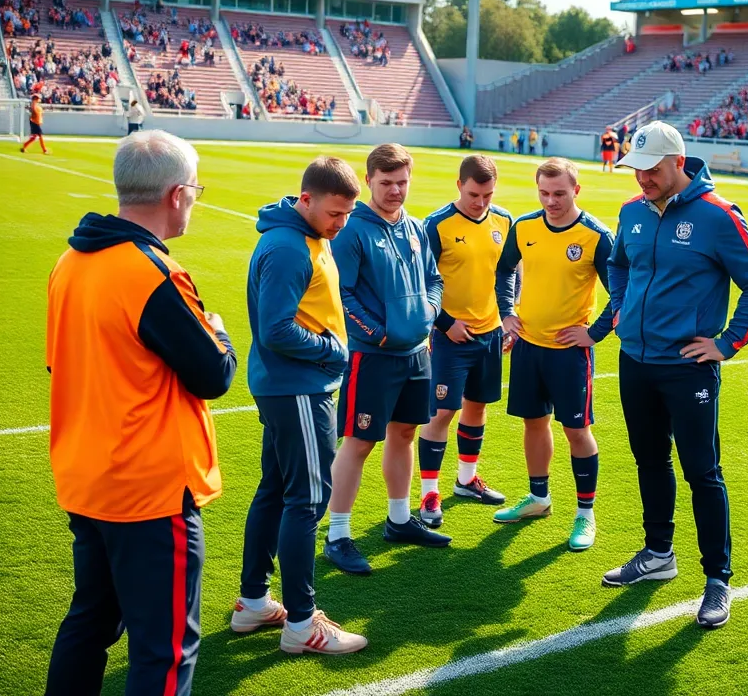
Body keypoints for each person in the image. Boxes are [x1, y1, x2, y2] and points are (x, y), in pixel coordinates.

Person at [45, 131, 237, 696]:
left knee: (90, 624)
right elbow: (214, 375)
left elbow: (63, 366)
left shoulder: (70, 261)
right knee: (166, 650)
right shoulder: (151, 272)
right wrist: (221, 335)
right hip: (149, 488)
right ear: (177, 195)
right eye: (196, 190)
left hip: (89, 475)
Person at [601, 121, 748, 630]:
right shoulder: (632, 212)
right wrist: (622, 307)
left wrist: (724, 344)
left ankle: (717, 578)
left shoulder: (718, 216)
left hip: (687, 370)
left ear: (678, 162)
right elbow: (619, 265)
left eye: (652, 170)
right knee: (649, 460)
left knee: (702, 472)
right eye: (637, 170)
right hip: (635, 360)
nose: (642, 180)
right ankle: (658, 554)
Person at [236, 156, 367, 655]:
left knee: (276, 489)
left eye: (348, 214)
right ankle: (301, 623)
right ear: (306, 200)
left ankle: (253, 602)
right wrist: (334, 350)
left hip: (289, 384)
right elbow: (275, 329)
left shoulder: (307, 235)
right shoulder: (291, 246)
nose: (342, 223)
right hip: (297, 388)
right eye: (335, 213)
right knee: (308, 500)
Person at [324, 144, 450, 576]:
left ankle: (399, 521)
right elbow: (342, 293)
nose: (395, 191)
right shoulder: (353, 230)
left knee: (405, 434)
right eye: (386, 183)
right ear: (369, 181)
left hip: (417, 353)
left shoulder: (414, 227)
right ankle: (337, 534)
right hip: (372, 357)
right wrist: (378, 332)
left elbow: (434, 278)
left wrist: (430, 313)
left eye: (402, 182)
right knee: (358, 442)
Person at [492, 157, 615, 552]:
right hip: (528, 346)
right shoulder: (525, 226)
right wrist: (507, 313)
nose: (551, 201)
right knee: (533, 422)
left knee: (576, 431)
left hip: (569, 354)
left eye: (559, 193)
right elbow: (504, 270)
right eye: (544, 193)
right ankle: (539, 499)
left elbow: (622, 293)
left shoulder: (596, 235)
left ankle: (585, 514)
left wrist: (593, 334)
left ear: (576, 190)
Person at [416, 156, 516, 527]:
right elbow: (423, 283)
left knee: (477, 407)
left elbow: (504, 274)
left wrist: (507, 315)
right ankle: (429, 492)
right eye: (474, 194)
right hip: (449, 337)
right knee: (441, 412)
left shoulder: (504, 221)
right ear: (459, 185)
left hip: (490, 334)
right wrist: (443, 323)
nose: (481, 202)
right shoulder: (436, 225)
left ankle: (465, 479)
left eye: (488, 194)